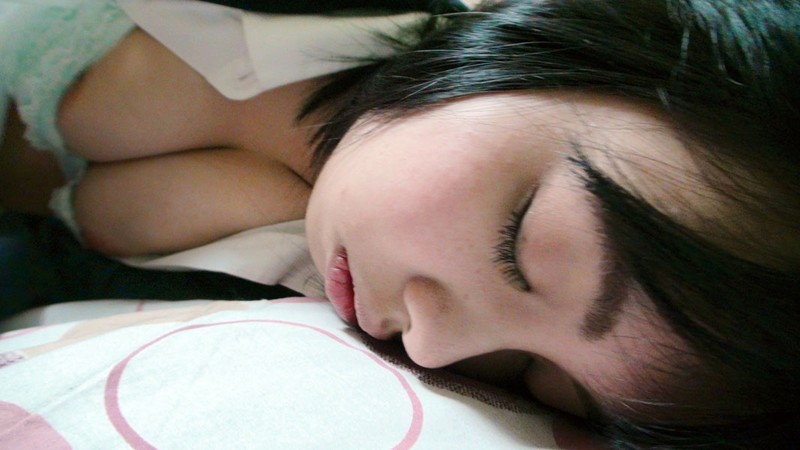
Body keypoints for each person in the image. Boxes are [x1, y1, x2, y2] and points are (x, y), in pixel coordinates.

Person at [2, 0, 799, 448]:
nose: (432, 347)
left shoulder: (267, 298)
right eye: (517, 250)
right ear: (570, 34)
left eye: (526, 371)